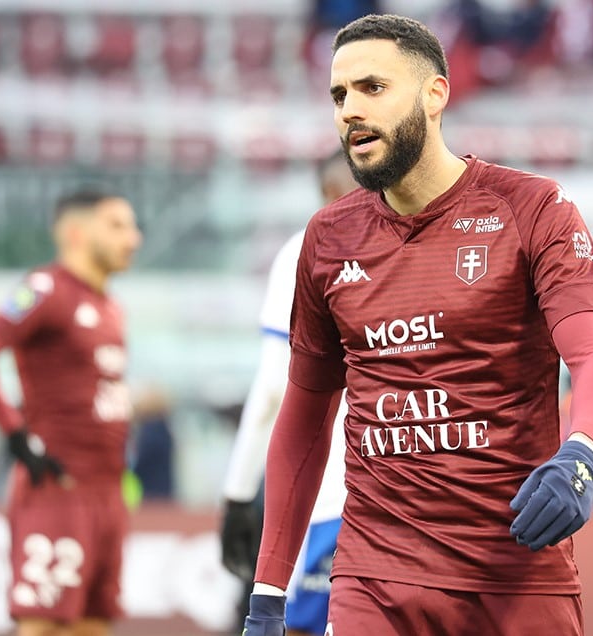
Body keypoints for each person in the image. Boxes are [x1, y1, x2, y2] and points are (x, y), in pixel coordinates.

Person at [241, 14, 593, 636]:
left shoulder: (532, 209)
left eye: (372, 88)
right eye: (339, 95)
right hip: (375, 579)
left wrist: (581, 454)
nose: (349, 110)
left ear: (435, 94)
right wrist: (266, 593)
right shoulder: (328, 237)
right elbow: (304, 416)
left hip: (516, 573)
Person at [0, 189, 142, 636]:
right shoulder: (46, 290)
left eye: (133, 227)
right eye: (117, 226)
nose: (133, 239)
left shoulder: (110, 306)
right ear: (75, 233)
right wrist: (15, 432)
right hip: (59, 486)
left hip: (108, 492)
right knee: (42, 624)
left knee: (94, 624)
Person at [220, 149, 359, 636]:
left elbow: (273, 388)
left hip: (330, 498)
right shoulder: (426, 242)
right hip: (413, 497)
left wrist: (238, 493)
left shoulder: (309, 248)